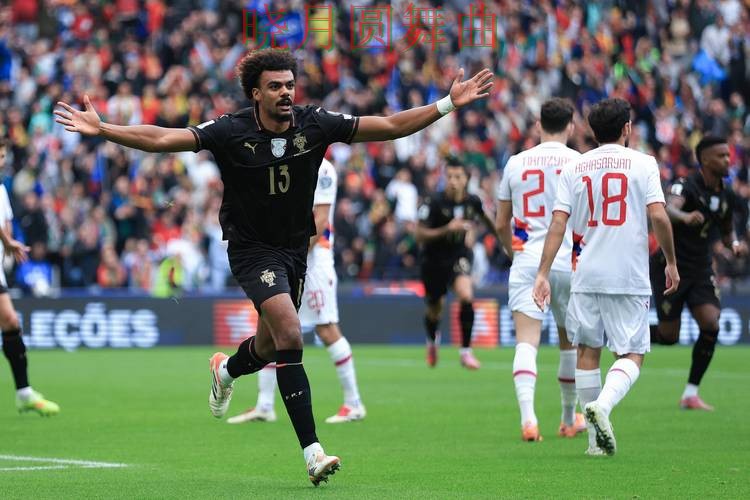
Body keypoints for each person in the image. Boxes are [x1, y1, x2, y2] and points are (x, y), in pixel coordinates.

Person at [55, 48, 492, 485]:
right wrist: (104, 129)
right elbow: (163, 139)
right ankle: (313, 453)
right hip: (251, 251)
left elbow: (391, 126)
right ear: (255, 93)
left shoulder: (315, 123)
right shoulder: (231, 130)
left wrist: (447, 104)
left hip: (294, 252)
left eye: (289, 85)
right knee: (290, 333)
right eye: (275, 86)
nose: (286, 92)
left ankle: (225, 370)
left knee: (267, 347)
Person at [532, 98, 680, 456]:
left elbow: (558, 223)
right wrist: (671, 262)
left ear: (592, 131)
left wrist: (542, 273)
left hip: (585, 273)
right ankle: (604, 406)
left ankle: (593, 444)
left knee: (587, 350)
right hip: (627, 274)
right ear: (627, 128)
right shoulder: (643, 163)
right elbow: (659, 216)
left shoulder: (575, 167)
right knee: (632, 353)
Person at [228, 158, 366, 425]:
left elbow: (321, 220)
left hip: (314, 261)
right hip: (286, 258)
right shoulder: (286, 160)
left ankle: (354, 403)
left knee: (327, 329)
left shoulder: (323, 169)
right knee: (272, 327)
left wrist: (291, 254)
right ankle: (264, 405)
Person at [496, 98, 585, 442]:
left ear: (538, 125)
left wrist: (513, 253)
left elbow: (501, 222)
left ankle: (529, 420)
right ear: (571, 126)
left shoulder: (516, 163)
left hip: (528, 258)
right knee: (569, 344)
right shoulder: (579, 163)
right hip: (569, 262)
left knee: (527, 342)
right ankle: (568, 419)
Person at [650, 136, 748, 411]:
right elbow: (668, 208)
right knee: (669, 337)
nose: (728, 160)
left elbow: (727, 230)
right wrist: (685, 217)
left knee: (711, 324)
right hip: (670, 266)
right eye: (721, 156)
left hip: (701, 268)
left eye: (728, 155)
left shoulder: (726, 195)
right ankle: (630, 336)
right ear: (705, 159)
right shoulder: (686, 185)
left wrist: (734, 245)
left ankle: (691, 393)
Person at [416, 157, 498, 369]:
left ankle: (466, 352)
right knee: (435, 308)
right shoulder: (433, 202)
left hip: (458, 255)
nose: (453, 181)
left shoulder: (473, 201)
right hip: (433, 260)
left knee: (466, 295)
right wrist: (447, 229)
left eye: (458, 177)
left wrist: (507, 243)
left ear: (466, 179)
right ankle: (432, 341)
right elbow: (419, 235)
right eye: (449, 176)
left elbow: (492, 224)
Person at [0, 140, 59, 416]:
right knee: (10, 320)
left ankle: (24, 394)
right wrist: (7, 241)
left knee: (11, 322)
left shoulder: (2, 189)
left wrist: (8, 246)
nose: (1, 161)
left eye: (3, 156)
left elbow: (6, 224)